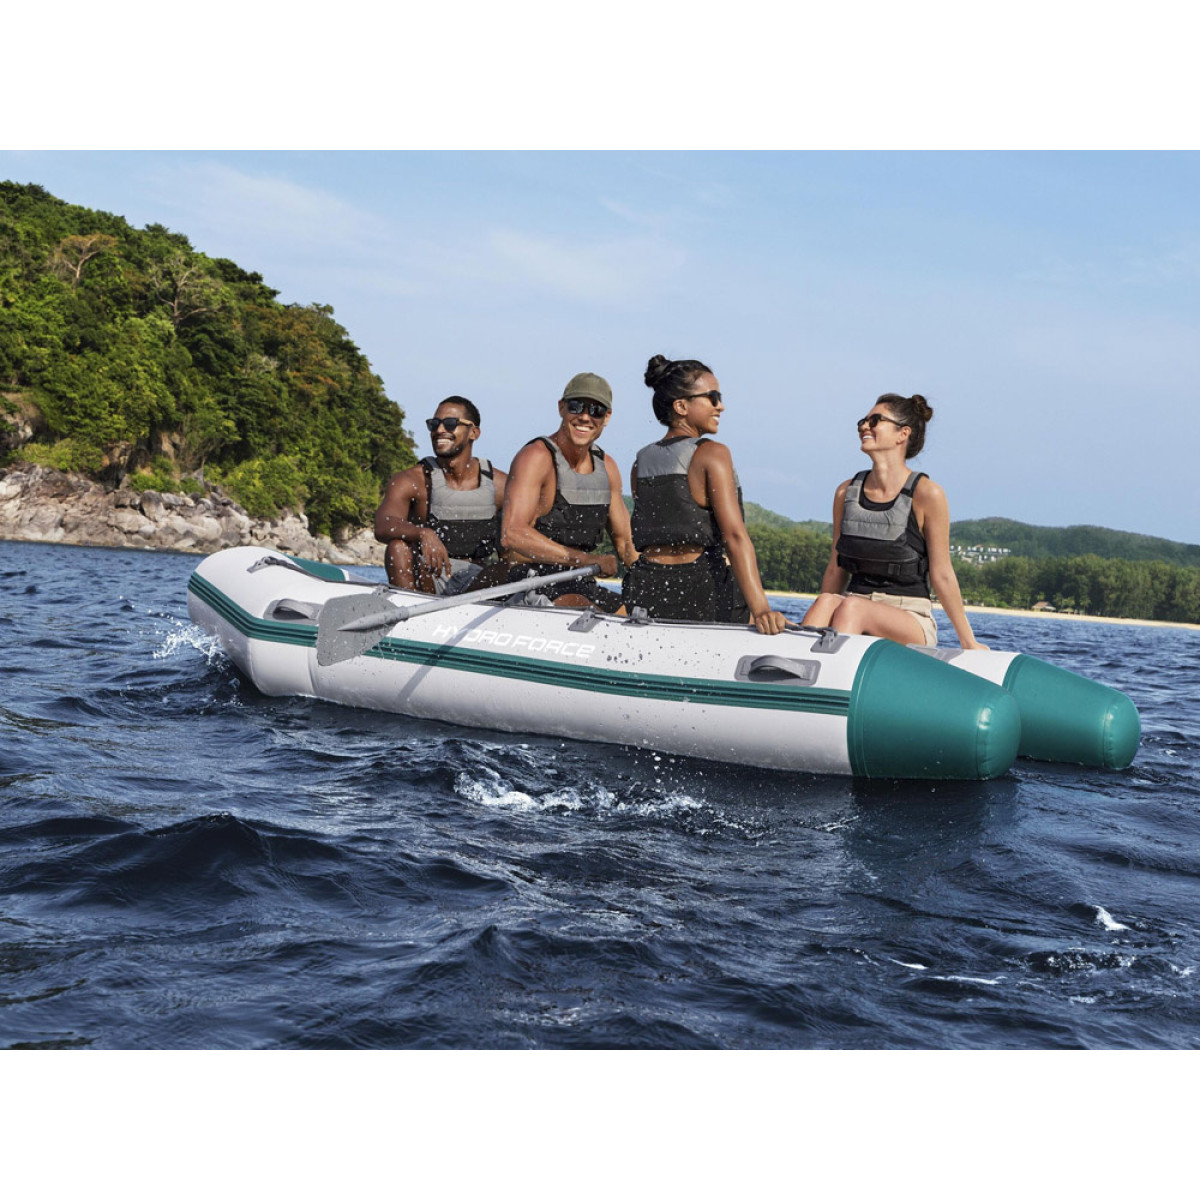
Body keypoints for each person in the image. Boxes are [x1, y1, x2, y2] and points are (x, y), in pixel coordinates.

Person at [801, 393, 986, 649]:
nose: (864, 427)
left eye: (875, 420)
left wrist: (969, 642)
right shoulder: (845, 493)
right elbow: (836, 568)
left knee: (853, 607)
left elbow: (942, 574)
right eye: (862, 422)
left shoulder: (927, 494)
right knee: (825, 602)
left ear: (902, 434)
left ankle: (830, 667)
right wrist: (826, 607)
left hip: (909, 616)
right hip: (850, 605)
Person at [623, 355, 787, 635]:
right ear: (681, 406)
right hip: (700, 590)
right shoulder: (713, 453)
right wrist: (762, 610)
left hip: (645, 589)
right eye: (713, 397)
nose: (720, 406)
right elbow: (734, 536)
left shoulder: (640, 462)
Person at [469, 371, 635, 611]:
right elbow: (512, 534)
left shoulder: (607, 467)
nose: (585, 417)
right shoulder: (535, 457)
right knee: (591, 614)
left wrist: (654, 582)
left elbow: (626, 544)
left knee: (632, 615)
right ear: (561, 408)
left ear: (606, 417)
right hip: (528, 580)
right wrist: (585, 559)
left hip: (580, 582)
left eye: (596, 410)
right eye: (576, 407)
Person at [373, 396, 507, 594]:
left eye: (450, 423)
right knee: (397, 547)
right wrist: (423, 533)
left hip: (479, 583)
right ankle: (407, 608)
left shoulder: (501, 485)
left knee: (515, 565)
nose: (440, 430)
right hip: (430, 579)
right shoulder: (411, 480)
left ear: (474, 432)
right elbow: (383, 524)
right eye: (434, 424)